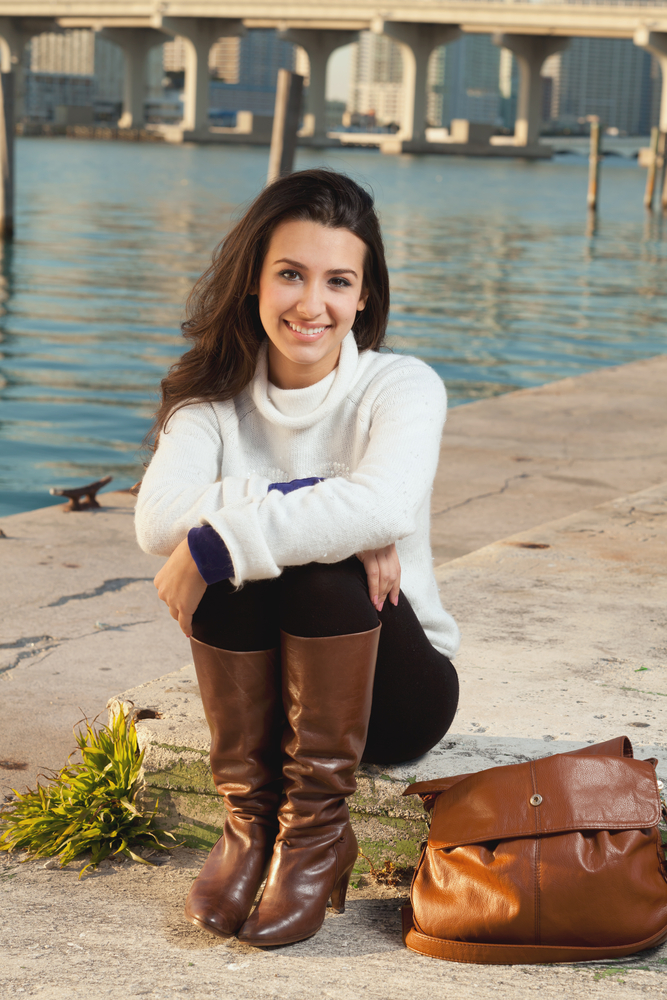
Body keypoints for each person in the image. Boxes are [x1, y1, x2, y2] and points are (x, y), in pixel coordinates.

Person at [135, 169, 460, 948]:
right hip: (271, 699)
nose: (311, 304)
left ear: (363, 297)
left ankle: (315, 836)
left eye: (336, 282)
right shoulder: (208, 400)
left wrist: (221, 533)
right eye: (290, 274)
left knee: (300, 562)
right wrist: (318, 498)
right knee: (254, 555)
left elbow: (381, 506)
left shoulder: (401, 387)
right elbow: (155, 523)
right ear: (254, 281)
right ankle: (249, 828)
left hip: (395, 690)